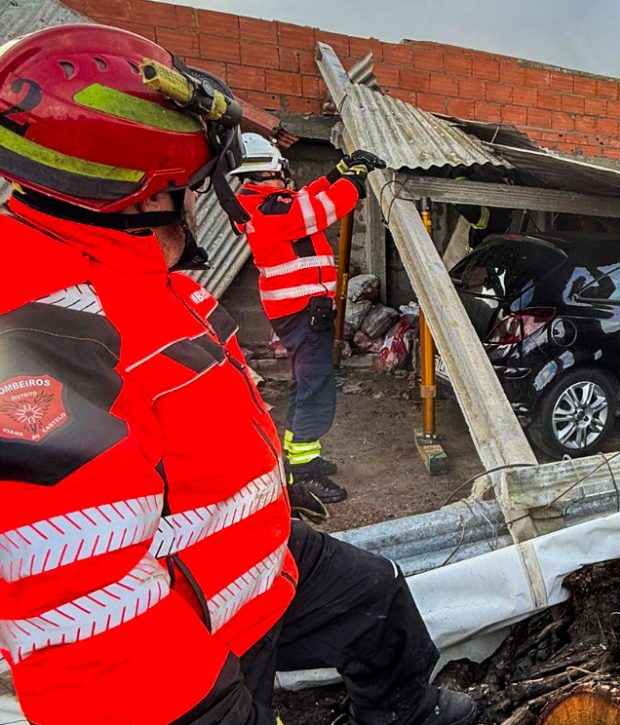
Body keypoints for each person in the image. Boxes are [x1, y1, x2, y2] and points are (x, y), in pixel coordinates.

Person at [0, 25, 474, 725]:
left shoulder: (142, 275)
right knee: (314, 396)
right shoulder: (42, 332)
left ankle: (410, 713)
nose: (204, 200)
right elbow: (83, 605)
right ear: (144, 193)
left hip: (253, 554)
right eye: (193, 185)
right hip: (196, 622)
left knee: (376, 598)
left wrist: (269, 492)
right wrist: (349, 180)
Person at [230, 134, 385, 509]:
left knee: (306, 385)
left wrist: (338, 171)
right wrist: (355, 177)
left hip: (301, 311)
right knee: (316, 390)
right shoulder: (270, 211)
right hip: (301, 313)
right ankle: (303, 473)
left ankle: (300, 457)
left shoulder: (264, 204)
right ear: (269, 171)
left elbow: (307, 197)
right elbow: (327, 206)